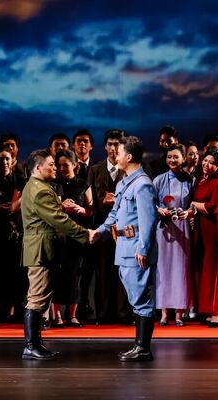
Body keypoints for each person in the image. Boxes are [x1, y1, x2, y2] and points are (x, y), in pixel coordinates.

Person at [91, 136, 158, 362]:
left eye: (118, 152)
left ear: (129, 157)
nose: (115, 155)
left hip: (136, 250)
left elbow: (148, 221)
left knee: (141, 299)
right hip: (123, 248)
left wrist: (144, 249)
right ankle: (139, 346)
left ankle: (143, 348)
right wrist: (100, 231)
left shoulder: (143, 185)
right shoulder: (123, 183)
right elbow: (114, 215)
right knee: (134, 298)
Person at [20, 149, 90, 360]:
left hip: (42, 249)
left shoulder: (37, 187)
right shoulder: (40, 190)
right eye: (50, 164)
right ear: (37, 167)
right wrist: (86, 234)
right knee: (37, 299)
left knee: (39, 298)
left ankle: (35, 344)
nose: (55, 168)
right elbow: (58, 220)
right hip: (41, 250)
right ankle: (31, 346)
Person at [87, 129, 131, 324]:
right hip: (103, 227)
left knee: (124, 271)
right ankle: (103, 314)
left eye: (117, 144)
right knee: (103, 272)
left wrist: (118, 202)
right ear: (105, 146)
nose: (113, 148)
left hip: (125, 229)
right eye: (110, 144)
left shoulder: (129, 168)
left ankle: (124, 313)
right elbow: (88, 199)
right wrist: (101, 202)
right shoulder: (95, 169)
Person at [153, 144, 194, 327]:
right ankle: (163, 313)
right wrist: (159, 209)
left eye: (176, 157)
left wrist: (189, 212)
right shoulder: (158, 180)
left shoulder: (190, 180)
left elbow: (194, 205)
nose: (172, 160)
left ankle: (179, 313)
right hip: (164, 229)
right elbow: (150, 202)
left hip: (183, 228)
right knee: (163, 269)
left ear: (183, 158)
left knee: (180, 270)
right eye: (169, 157)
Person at [53, 149, 94, 327]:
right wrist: (61, 206)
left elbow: (91, 210)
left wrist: (80, 209)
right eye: (59, 165)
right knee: (57, 275)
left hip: (77, 236)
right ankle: (57, 316)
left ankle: (73, 315)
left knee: (75, 275)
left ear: (75, 165)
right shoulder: (53, 184)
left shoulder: (83, 184)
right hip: (58, 236)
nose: (62, 168)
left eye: (66, 165)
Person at [0, 145, 27, 322]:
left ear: (12, 161)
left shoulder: (21, 180)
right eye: (1, 159)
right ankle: (2, 307)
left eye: (7, 159)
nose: (4, 162)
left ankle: (16, 307)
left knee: (17, 270)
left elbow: (19, 204)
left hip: (17, 230)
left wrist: (15, 205)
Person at [190, 148, 218, 327]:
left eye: (211, 163)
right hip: (201, 230)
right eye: (205, 161)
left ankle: (217, 311)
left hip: (215, 231)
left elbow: (213, 208)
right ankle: (206, 309)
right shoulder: (201, 180)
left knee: (215, 271)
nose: (206, 164)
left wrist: (194, 204)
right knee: (203, 271)